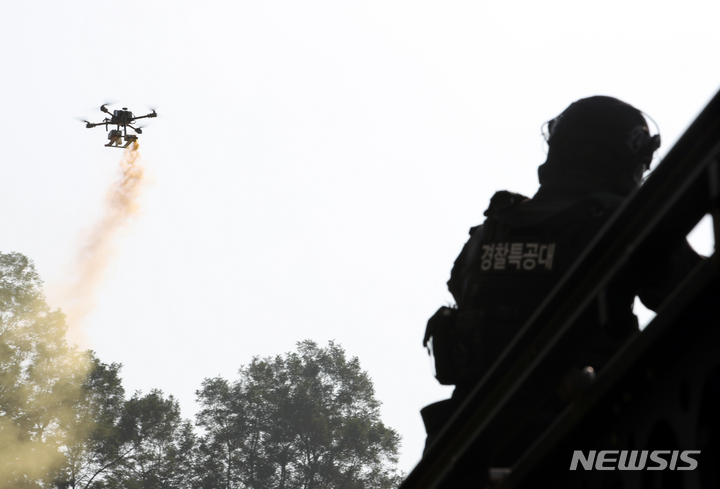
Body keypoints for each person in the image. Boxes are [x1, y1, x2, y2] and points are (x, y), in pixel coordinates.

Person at [420, 96, 703, 468]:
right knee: (685, 461)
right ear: (625, 159)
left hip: (467, 453)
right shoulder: (620, 220)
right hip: (581, 448)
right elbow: (689, 290)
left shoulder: (490, 232)